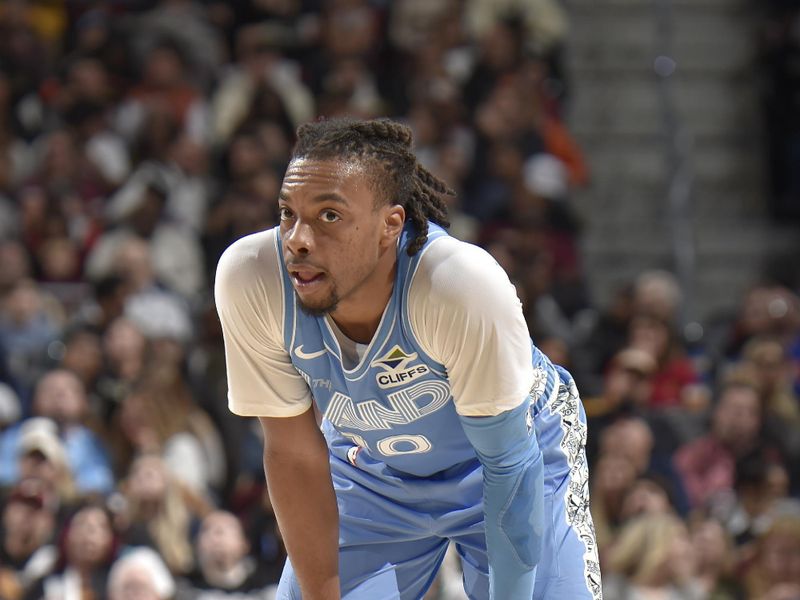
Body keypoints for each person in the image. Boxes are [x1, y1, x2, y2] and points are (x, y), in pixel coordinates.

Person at [215, 117, 600, 599]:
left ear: (390, 225)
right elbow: (292, 453)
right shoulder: (253, 277)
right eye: (288, 213)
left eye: (328, 215)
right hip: (372, 471)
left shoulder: (457, 285)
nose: (297, 239)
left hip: (509, 464)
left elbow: (508, 465)